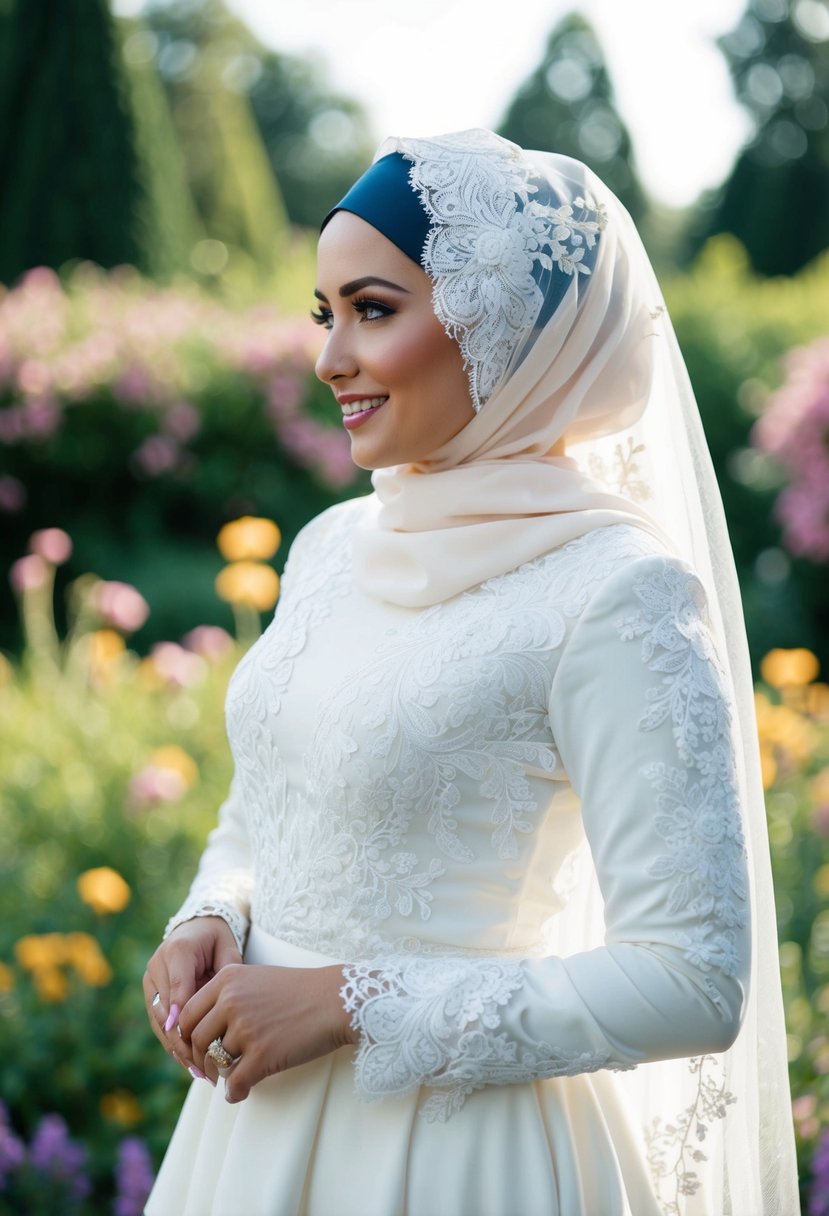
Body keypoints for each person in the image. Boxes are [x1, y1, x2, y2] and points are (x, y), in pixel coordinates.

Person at [143, 129, 797, 1215]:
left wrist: (351, 1002)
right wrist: (211, 910)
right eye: (324, 315)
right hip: (246, 1140)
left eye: (373, 308)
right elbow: (269, 802)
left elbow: (691, 980)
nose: (328, 357)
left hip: (463, 1160)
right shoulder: (329, 546)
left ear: (505, 328)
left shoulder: (617, 591)